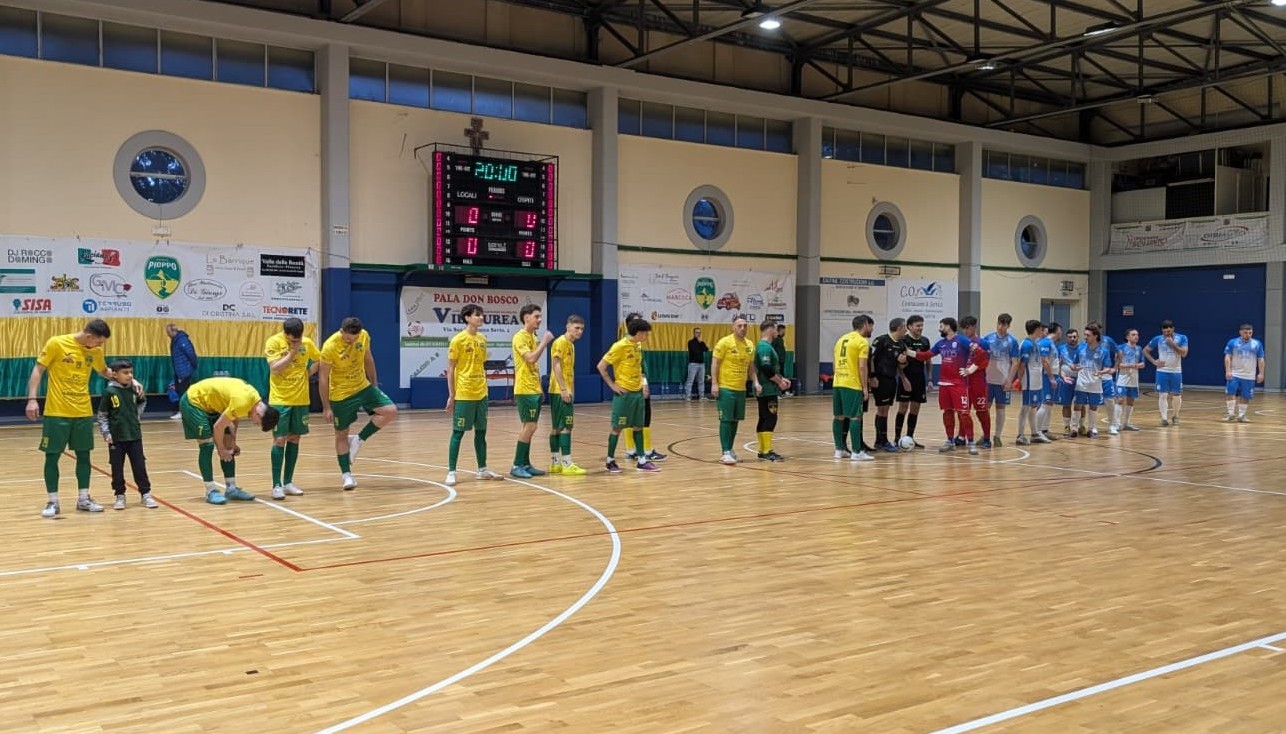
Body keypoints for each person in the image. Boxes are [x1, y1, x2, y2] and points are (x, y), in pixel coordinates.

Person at [27, 319, 123, 518]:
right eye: (99, 342)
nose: (100, 346)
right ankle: (53, 501)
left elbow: (104, 372)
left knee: (84, 456)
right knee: (52, 456)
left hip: (83, 412)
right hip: (57, 412)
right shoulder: (56, 343)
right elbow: (38, 370)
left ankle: (84, 499)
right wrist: (32, 399)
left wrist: (129, 380)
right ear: (89, 336)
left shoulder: (95, 352)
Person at [320, 317, 399, 490]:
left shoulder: (363, 336)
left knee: (390, 411)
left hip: (362, 386)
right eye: (348, 339)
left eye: (354, 339)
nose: (351, 341)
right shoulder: (330, 346)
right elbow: (323, 377)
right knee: (341, 434)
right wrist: (326, 407)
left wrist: (375, 383)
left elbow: (368, 359)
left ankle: (359, 439)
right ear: (342, 332)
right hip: (341, 394)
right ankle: (346, 475)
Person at [180, 376, 279, 505]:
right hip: (193, 402)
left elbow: (235, 417)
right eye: (257, 423)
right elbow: (218, 427)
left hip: (213, 405)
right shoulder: (243, 402)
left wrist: (233, 442)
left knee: (228, 444)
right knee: (207, 445)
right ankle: (211, 490)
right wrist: (221, 450)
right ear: (259, 415)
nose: (254, 423)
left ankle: (231, 489)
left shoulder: (254, 399)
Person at [445, 304, 503, 486]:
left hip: (482, 393)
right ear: (467, 318)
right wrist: (452, 395)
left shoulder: (483, 339)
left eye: (481, 315)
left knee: (481, 432)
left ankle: (482, 469)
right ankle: (451, 471)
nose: (481, 318)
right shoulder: (457, 340)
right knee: (458, 432)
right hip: (464, 394)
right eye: (477, 315)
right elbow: (451, 369)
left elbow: (481, 364)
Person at [264, 317, 321, 500]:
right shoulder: (274, 342)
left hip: (301, 399)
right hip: (280, 400)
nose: (296, 341)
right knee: (279, 439)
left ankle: (288, 482)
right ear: (285, 334)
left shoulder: (307, 342)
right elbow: (275, 368)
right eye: (292, 339)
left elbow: (320, 359)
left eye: (299, 338)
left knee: (295, 439)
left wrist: (309, 372)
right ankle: (276, 485)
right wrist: (292, 352)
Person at [911, 317, 984, 455]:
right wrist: (908, 352)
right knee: (947, 413)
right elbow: (926, 355)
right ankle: (950, 441)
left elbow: (981, 355)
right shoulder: (941, 344)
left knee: (964, 414)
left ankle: (971, 442)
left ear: (949, 327)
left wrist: (970, 370)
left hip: (958, 384)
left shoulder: (963, 341)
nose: (939, 328)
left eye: (941, 326)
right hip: (944, 384)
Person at [599, 317, 660, 473]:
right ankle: (610, 461)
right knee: (617, 428)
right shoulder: (619, 346)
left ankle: (641, 460)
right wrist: (613, 386)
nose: (647, 337)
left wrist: (642, 384)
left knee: (638, 427)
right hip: (624, 395)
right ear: (639, 333)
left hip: (637, 393)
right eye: (646, 334)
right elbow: (601, 366)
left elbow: (638, 368)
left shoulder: (637, 345)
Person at [96, 359, 156, 510]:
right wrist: (106, 433)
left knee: (140, 466)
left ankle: (146, 494)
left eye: (131, 372)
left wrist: (136, 416)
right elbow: (102, 414)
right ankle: (120, 495)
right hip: (116, 438)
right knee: (117, 468)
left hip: (135, 436)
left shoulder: (135, 389)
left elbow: (142, 402)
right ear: (115, 375)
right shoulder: (109, 392)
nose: (129, 376)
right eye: (125, 373)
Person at [511, 304, 555, 479]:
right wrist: (545, 342)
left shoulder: (531, 337)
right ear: (526, 317)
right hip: (524, 389)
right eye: (536, 316)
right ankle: (516, 465)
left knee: (529, 427)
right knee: (530, 426)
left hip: (533, 388)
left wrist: (539, 388)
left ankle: (525, 463)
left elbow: (534, 366)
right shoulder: (519, 337)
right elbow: (530, 359)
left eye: (540, 316)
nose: (539, 319)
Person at [711, 316, 761, 465]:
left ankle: (730, 449)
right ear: (733, 327)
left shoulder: (750, 345)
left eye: (745, 325)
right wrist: (714, 383)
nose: (743, 328)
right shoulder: (724, 342)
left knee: (735, 420)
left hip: (741, 389)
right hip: (726, 387)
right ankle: (725, 452)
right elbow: (715, 363)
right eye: (739, 326)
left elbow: (751, 367)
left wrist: (756, 382)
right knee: (726, 420)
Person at [622, 313, 667, 463]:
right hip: (635, 384)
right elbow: (637, 367)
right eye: (636, 322)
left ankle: (631, 450)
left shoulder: (629, 342)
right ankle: (647, 451)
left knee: (631, 418)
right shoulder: (631, 344)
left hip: (628, 384)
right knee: (644, 417)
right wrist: (644, 383)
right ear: (629, 326)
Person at [832, 314, 875, 462]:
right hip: (852, 383)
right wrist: (864, 387)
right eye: (871, 326)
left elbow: (835, 363)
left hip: (838, 382)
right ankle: (857, 452)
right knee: (856, 417)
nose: (872, 329)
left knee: (839, 417)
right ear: (865, 325)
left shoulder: (841, 340)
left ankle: (839, 450)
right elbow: (862, 366)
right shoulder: (862, 342)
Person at [548, 315, 587, 475]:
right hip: (560, 390)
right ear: (567, 326)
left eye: (582, 329)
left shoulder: (570, 345)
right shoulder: (561, 342)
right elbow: (556, 364)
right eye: (577, 328)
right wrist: (564, 389)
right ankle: (567, 463)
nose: (580, 331)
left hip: (562, 390)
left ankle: (556, 463)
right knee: (566, 427)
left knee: (557, 427)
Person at [869, 318, 911, 452]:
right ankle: (883, 441)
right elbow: (871, 359)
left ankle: (879, 440)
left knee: (884, 410)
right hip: (881, 379)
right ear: (899, 328)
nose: (906, 330)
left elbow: (902, 365)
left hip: (892, 379)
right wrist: (872, 376)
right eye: (905, 327)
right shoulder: (881, 340)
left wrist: (903, 362)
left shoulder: (902, 344)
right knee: (882, 410)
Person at [982, 313, 1021, 448]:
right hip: (987, 380)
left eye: (1004, 325)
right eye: (999, 323)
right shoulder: (987, 338)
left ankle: (997, 436)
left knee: (1001, 408)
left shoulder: (1012, 342)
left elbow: (1015, 363)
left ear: (1008, 326)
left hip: (1003, 381)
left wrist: (1010, 380)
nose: (1000, 327)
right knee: (984, 408)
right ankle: (984, 434)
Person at [754, 320, 791, 461]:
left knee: (764, 417)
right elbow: (766, 368)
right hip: (768, 389)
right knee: (770, 417)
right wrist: (779, 382)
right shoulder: (764, 347)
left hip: (767, 388)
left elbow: (772, 369)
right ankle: (767, 450)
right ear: (770, 329)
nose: (777, 331)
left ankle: (763, 450)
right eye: (775, 329)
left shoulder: (766, 346)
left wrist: (783, 378)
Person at [1144, 319, 1189, 427]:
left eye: (1168, 332)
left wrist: (1173, 344)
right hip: (1162, 371)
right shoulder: (1158, 339)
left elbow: (1184, 354)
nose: (1166, 334)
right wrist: (1154, 361)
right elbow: (1145, 350)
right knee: (1162, 395)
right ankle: (1164, 418)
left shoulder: (1182, 338)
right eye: (1164, 332)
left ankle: (1176, 416)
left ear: (1173, 329)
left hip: (1176, 371)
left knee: (1176, 395)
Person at [895, 314, 931, 448]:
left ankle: (910, 437)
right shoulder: (903, 340)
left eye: (922, 325)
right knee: (903, 409)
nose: (920, 328)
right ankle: (897, 438)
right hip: (906, 379)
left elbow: (928, 361)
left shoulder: (925, 341)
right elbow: (898, 363)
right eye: (917, 326)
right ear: (909, 327)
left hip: (919, 380)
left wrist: (930, 379)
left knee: (915, 409)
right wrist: (904, 379)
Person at [1014, 320, 1053, 445]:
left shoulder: (1035, 343)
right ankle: (1020, 435)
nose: (1042, 332)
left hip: (1036, 381)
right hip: (1029, 381)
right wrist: (1019, 380)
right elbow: (1022, 364)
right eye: (1041, 329)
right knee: (1025, 407)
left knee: (1033, 407)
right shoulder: (1026, 345)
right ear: (1036, 330)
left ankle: (1035, 433)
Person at [1071, 324, 1113, 438]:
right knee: (1078, 404)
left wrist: (1101, 372)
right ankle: (1074, 428)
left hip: (1095, 382)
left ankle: (1091, 428)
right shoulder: (1081, 348)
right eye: (1085, 335)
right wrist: (1074, 367)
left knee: (1093, 406)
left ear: (1095, 336)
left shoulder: (1103, 351)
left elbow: (1108, 367)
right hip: (1081, 382)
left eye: (1088, 335)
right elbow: (1074, 364)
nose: (1085, 337)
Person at [958, 316, 992, 449]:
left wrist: (971, 370)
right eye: (964, 329)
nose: (965, 331)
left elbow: (985, 362)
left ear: (974, 327)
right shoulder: (962, 343)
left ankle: (987, 438)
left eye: (968, 328)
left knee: (981, 411)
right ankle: (961, 437)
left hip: (978, 382)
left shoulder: (982, 343)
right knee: (963, 411)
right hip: (964, 382)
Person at [1224, 323, 1265, 423]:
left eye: (1250, 332)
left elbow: (1261, 359)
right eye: (1246, 332)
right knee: (1230, 392)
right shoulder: (1233, 342)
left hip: (1249, 375)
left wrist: (1261, 373)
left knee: (1245, 396)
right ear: (1240, 332)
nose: (1248, 335)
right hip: (1235, 374)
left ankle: (1242, 415)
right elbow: (1227, 357)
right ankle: (1231, 414)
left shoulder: (1257, 344)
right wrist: (1228, 370)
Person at [166, 323, 199, 420]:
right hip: (179, 370)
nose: (167, 335)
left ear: (173, 331)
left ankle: (184, 412)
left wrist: (192, 367)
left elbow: (191, 354)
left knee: (183, 392)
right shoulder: (175, 340)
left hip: (184, 371)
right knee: (180, 391)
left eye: (168, 332)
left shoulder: (182, 340)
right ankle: (184, 411)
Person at [1036, 322, 1062, 441]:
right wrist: (1051, 378)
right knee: (1044, 403)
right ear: (1057, 331)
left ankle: (1045, 430)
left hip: (1053, 375)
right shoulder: (1045, 342)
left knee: (1049, 404)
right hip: (1046, 376)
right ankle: (1037, 432)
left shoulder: (1052, 344)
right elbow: (1044, 361)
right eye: (1060, 331)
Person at [1115, 328, 1144, 431]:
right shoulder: (1120, 348)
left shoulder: (1139, 349)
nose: (1136, 336)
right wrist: (1130, 365)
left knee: (1131, 401)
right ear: (1127, 337)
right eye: (1133, 334)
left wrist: (1137, 365)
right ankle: (1117, 423)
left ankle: (1126, 423)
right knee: (1120, 399)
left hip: (1134, 378)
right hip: (1122, 378)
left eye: (1137, 335)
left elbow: (1143, 364)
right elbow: (1118, 364)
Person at [1055, 328, 1080, 437]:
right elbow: (1058, 364)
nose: (1072, 339)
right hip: (1066, 380)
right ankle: (1066, 426)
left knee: (1080, 404)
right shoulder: (1061, 349)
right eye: (1070, 337)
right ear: (1066, 338)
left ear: (1078, 337)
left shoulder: (1083, 348)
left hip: (1080, 380)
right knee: (1066, 404)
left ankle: (1080, 426)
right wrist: (1061, 376)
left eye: (1074, 337)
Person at [683, 327, 709, 400]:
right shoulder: (690, 342)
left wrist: (701, 343)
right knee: (690, 380)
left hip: (701, 364)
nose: (698, 334)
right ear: (694, 333)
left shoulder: (701, 342)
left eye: (699, 332)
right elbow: (695, 351)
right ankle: (688, 396)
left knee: (701, 381)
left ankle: (702, 396)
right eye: (697, 332)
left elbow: (706, 349)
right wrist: (700, 345)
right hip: (693, 364)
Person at [772, 325, 793, 396]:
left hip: (781, 361)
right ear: (779, 331)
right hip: (777, 362)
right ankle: (777, 393)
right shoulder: (775, 339)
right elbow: (772, 349)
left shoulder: (781, 339)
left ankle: (783, 392)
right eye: (783, 331)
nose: (784, 332)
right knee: (778, 376)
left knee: (782, 376)